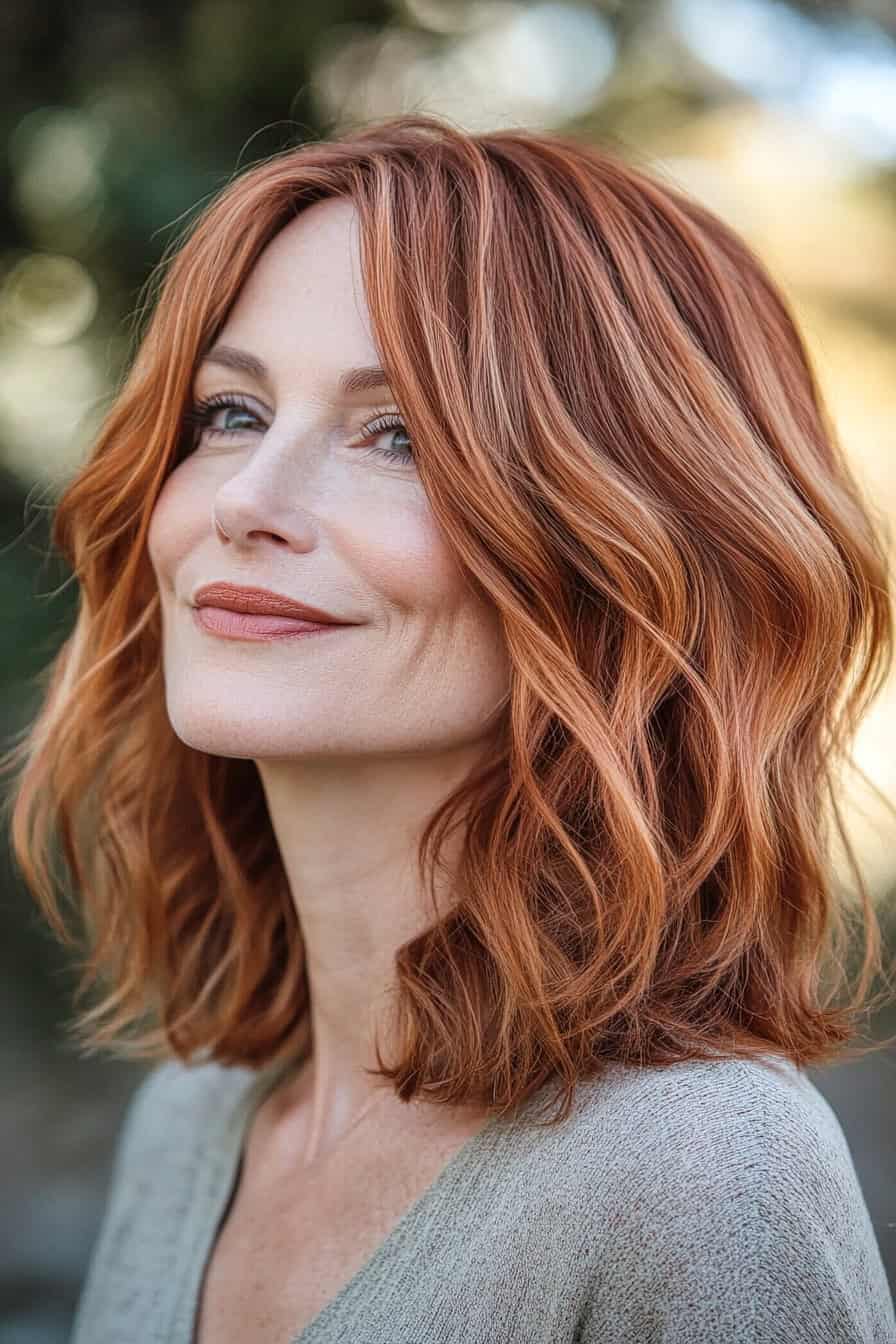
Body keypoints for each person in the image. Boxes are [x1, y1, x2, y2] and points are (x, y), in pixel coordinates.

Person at [3, 112, 895, 1343]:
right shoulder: (194, 1119)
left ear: (623, 558)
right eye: (230, 414)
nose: (249, 502)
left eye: (399, 437)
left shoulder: (696, 1170)